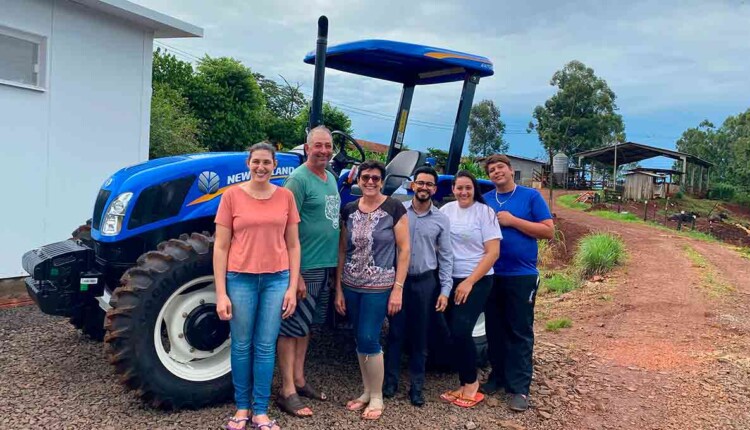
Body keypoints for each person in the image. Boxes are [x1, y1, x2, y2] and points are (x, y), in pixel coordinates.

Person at [214, 142, 300, 430]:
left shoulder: (286, 197)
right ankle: (241, 409)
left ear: (275, 165)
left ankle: (261, 411)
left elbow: (293, 244)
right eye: (256, 162)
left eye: (266, 162)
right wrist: (221, 293)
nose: (261, 167)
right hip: (240, 279)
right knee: (240, 346)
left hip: (276, 279)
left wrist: (290, 287)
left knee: (265, 347)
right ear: (248, 164)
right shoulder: (231, 197)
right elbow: (221, 247)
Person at [334, 159, 410, 421]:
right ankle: (366, 391)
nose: (369, 182)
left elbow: (404, 250)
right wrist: (338, 290)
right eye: (365, 177)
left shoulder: (394, 207)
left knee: (369, 337)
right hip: (351, 283)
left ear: (382, 181)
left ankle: (377, 396)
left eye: (375, 178)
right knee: (359, 338)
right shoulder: (349, 209)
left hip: (380, 285)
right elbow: (343, 249)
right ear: (358, 180)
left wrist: (398, 288)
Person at [480, 154, 554, 412]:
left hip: (521, 275)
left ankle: (520, 388)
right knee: (495, 329)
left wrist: (513, 221)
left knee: (519, 331)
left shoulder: (530, 197)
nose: (496, 172)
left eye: (500, 167)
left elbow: (548, 231)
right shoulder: (486, 200)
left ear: (511, 171)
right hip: (491, 274)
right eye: (491, 169)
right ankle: (497, 377)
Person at [276, 126, 339, 418]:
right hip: (305, 267)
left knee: (307, 327)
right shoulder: (298, 180)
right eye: (318, 146)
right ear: (307, 147)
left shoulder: (332, 180)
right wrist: (295, 273)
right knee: (291, 328)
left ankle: (300, 379)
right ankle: (286, 389)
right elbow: (285, 228)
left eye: (328, 146)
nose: (324, 151)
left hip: (325, 266)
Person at [383, 166, 453, 407]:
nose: (424, 187)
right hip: (398, 282)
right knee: (395, 333)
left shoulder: (441, 220)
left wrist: (445, 290)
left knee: (421, 337)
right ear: (412, 185)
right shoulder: (398, 212)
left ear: (435, 188)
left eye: (429, 184)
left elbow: (446, 257)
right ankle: (390, 383)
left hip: (425, 282)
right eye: (420, 183)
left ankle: (417, 387)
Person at [438, 170, 501, 408]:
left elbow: (493, 252)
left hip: (477, 279)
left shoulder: (484, 213)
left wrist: (469, 281)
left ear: (474, 189)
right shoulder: (446, 211)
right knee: (450, 332)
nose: (463, 192)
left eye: (468, 188)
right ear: (452, 189)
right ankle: (463, 384)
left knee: (461, 330)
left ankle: (472, 383)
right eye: (459, 188)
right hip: (449, 279)